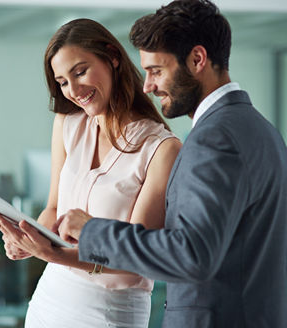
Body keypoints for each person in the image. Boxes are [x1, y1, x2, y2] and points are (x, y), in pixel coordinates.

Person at [57, 1, 287, 328]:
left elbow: (192, 254)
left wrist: (91, 231)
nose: (148, 86)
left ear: (197, 60)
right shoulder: (262, 130)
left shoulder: (215, 138)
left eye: (156, 71)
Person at [0, 18, 181, 328]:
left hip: (110, 312)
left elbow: (137, 260)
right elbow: (53, 209)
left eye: (80, 72)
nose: (73, 90)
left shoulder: (161, 149)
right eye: (62, 81)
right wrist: (27, 238)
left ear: (112, 57)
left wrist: (52, 254)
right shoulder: (68, 122)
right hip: (50, 300)